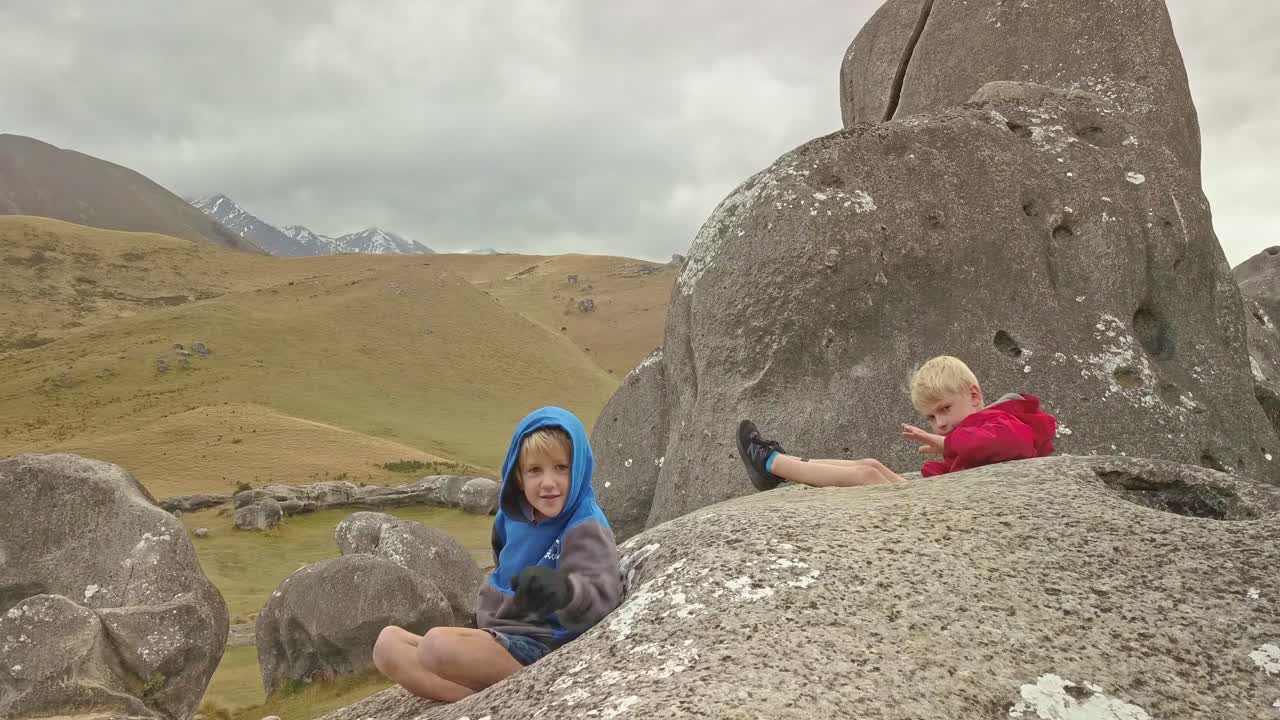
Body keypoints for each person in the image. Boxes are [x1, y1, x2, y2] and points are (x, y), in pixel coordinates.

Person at [371, 406, 622, 701]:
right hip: (498, 635)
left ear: (579, 467)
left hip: (541, 644)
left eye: (561, 468)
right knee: (387, 646)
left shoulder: (584, 523)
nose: (548, 482)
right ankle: (477, 694)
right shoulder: (510, 516)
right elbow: (501, 559)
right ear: (519, 477)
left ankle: (494, 696)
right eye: (535, 470)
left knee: (436, 647)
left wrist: (562, 590)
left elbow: (602, 592)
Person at [736, 355, 1056, 490]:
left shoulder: (1003, 419)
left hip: (943, 509)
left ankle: (772, 463)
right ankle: (781, 463)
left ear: (974, 395)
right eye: (931, 417)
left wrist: (948, 445)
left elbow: (1009, 443)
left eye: (945, 408)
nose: (940, 423)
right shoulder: (977, 428)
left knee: (865, 475)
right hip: (939, 500)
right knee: (870, 464)